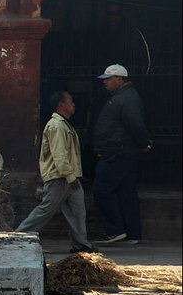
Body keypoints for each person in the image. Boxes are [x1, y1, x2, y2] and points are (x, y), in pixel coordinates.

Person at [15, 91, 97, 253]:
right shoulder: (57, 126)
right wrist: (70, 176)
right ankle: (18, 236)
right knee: (46, 210)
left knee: (77, 210)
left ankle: (81, 244)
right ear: (61, 105)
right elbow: (59, 154)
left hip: (69, 177)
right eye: (70, 102)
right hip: (61, 177)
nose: (73, 105)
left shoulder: (64, 124)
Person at [92, 64, 151, 245]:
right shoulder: (124, 97)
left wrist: (143, 143)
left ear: (120, 79)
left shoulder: (126, 98)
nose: (105, 83)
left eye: (109, 79)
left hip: (117, 152)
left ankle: (115, 230)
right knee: (126, 192)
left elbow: (135, 123)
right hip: (123, 152)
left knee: (102, 190)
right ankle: (131, 234)